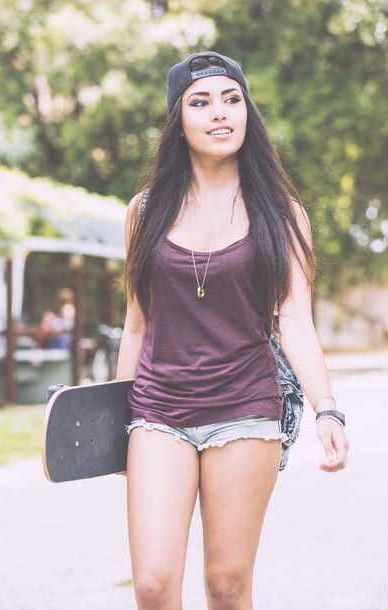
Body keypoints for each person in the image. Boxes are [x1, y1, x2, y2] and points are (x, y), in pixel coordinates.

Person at [115, 51, 349, 610]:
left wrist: (327, 408)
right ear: (179, 120)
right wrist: (108, 420)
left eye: (231, 99)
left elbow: (295, 319)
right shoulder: (143, 212)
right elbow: (135, 324)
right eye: (200, 102)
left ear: (247, 112)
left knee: (226, 584)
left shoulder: (282, 213)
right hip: (157, 411)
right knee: (151, 583)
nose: (219, 113)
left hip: (246, 408)